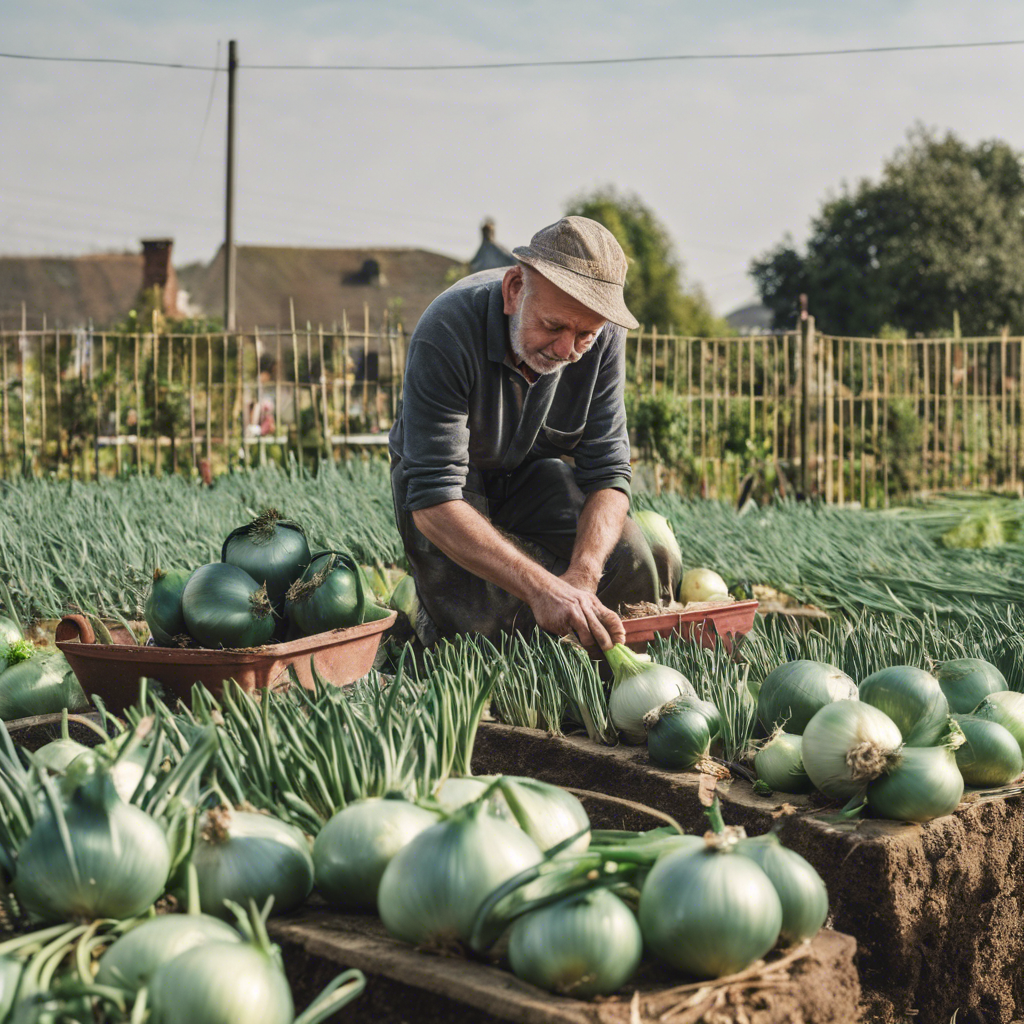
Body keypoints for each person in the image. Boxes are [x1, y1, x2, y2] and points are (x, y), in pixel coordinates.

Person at [388, 216, 658, 651]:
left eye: (584, 335)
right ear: (515, 289)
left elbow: (608, 473)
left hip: (534, 475)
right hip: (450, 494)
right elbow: (435, 499)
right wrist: (542, 589)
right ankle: (429, 618)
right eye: (553, 326)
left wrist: (582, 579)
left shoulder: (603, 334)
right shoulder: (448, 329)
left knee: (632, 559)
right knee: (483, 623)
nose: (567, 350)